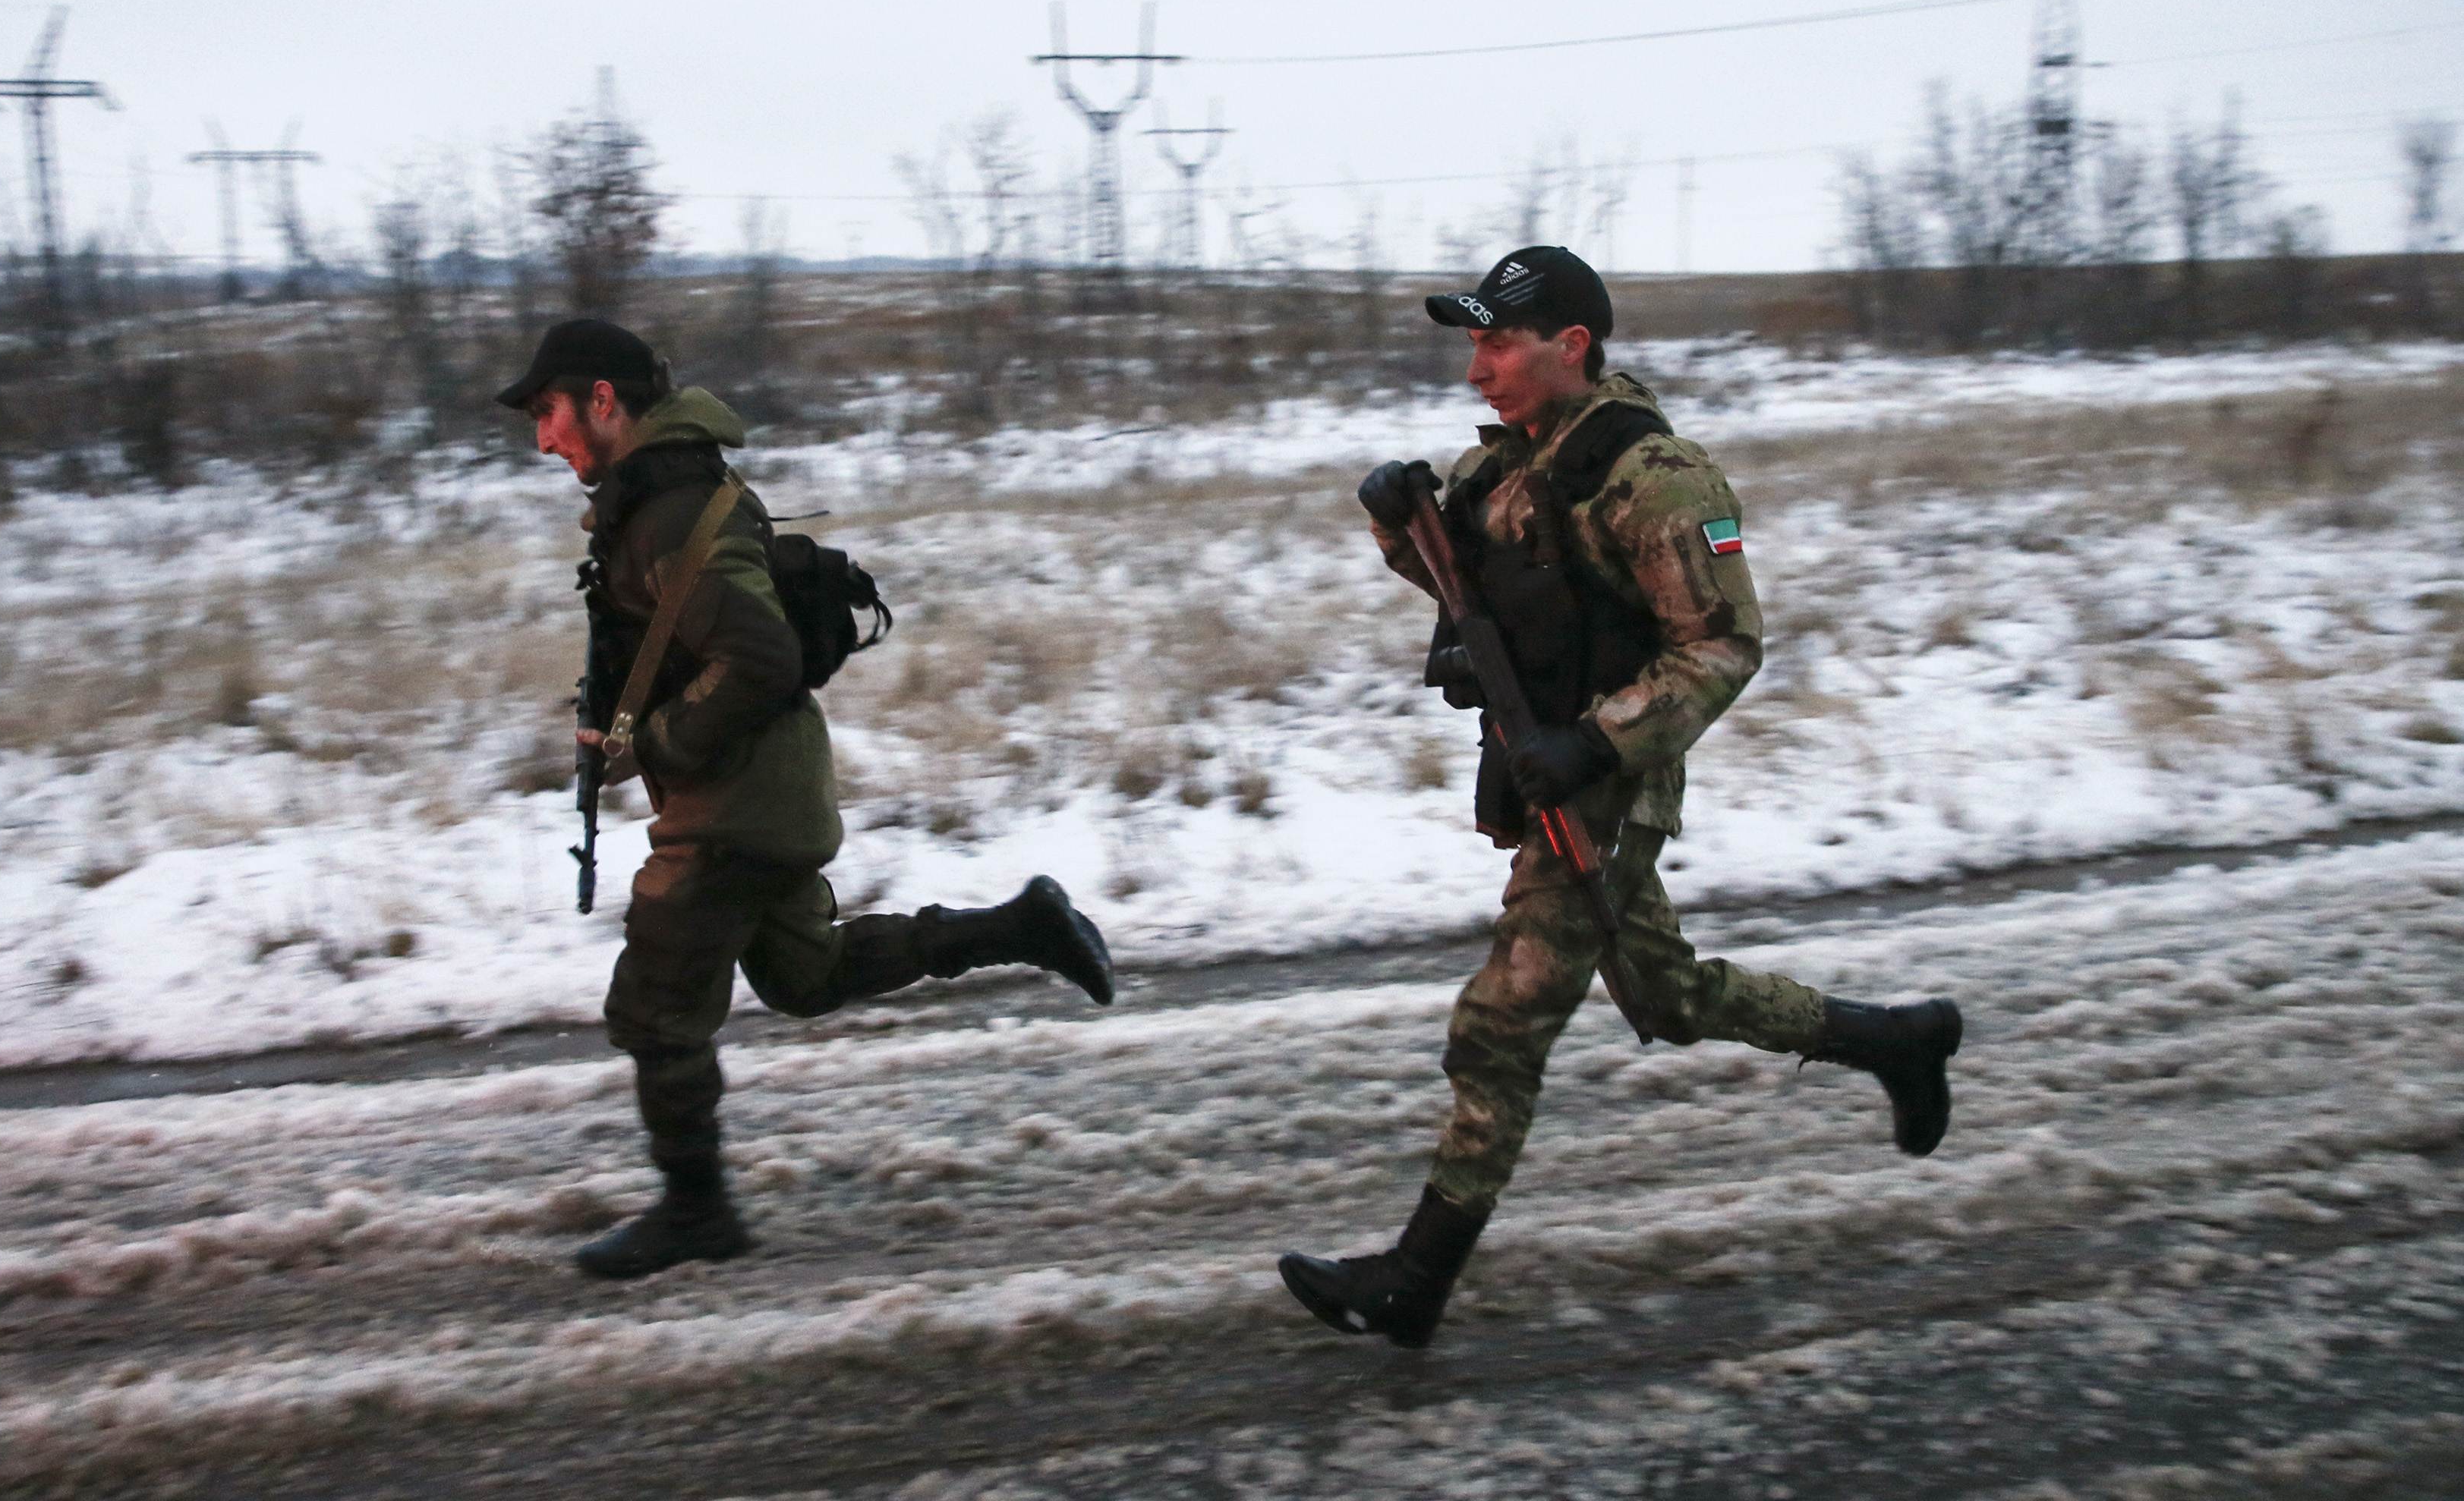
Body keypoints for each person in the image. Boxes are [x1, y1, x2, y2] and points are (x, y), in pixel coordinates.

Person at [1278, 247, 1962, 1348]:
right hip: (1540, 764)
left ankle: (1415, 1280)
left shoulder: (1656, 478)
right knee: (1666, 997)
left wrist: (1598, 745)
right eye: (1473, 344)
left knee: (1499, 1025)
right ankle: (1896, 1042)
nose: (1476, 370)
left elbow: (1724, 646)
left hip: (1603, 786)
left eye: (1497, 343)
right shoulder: (1505, 467)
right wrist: (1398, 524)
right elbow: (1480, 590)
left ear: (1572, 346)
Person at [499, 317, 1115, 1280]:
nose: (544, 438)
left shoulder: (666, 511)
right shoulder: (651, 501)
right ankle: (1023, 925)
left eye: (550, 413)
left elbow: (757, 656)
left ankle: (697, 1212)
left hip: (734, 808)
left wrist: (654, 738)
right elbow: (693, 648)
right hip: (762, 788)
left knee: (656, 1007)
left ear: (603, 401)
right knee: (807, 976)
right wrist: (625, 725)